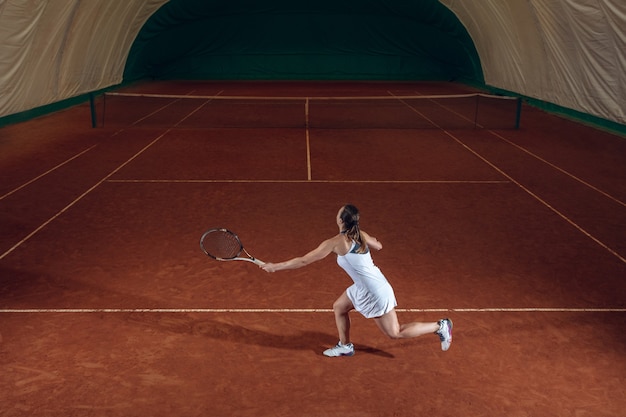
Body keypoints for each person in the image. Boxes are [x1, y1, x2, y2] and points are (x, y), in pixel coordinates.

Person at [260, 204, 453, 357]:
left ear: (341, 220)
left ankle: (440, 326)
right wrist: (371, 241)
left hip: (375, 292)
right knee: (339, 307)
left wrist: (275, 266)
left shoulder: (335, 242)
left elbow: (303, 260)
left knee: (395, 333)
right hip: (366, 286)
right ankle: (345, 346)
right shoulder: (361, 234)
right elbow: (379, 245)